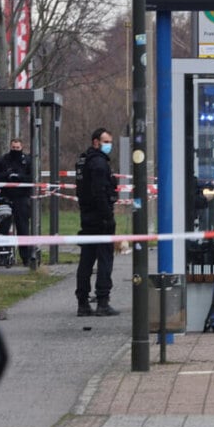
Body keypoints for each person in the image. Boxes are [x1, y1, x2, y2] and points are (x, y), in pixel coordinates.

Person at [75, 128, 119, 316]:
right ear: (96, 142)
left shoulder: (83, 161)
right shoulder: (99, 164)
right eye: (106, 141)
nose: (109, 145)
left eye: (110, 141)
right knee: (104, 260)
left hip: (86, 216)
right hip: (100, 218)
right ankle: (102, 301)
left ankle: (83, 302)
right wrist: (108, 217)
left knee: (86, 259)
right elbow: (100, 192)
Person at [0, 139, 35, 267]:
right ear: (10, 146)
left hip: (22, 198)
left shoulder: (27, 160)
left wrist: (20, 178)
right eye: (13, 147)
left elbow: (33, 177)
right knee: (3, 227)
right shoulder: (3, 160)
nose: (15, 149)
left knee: (23, 228)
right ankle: (1, 255)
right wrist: (6, 176)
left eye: (17, 147)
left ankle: (26, 258)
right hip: (6, 198)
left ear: (22, 147)